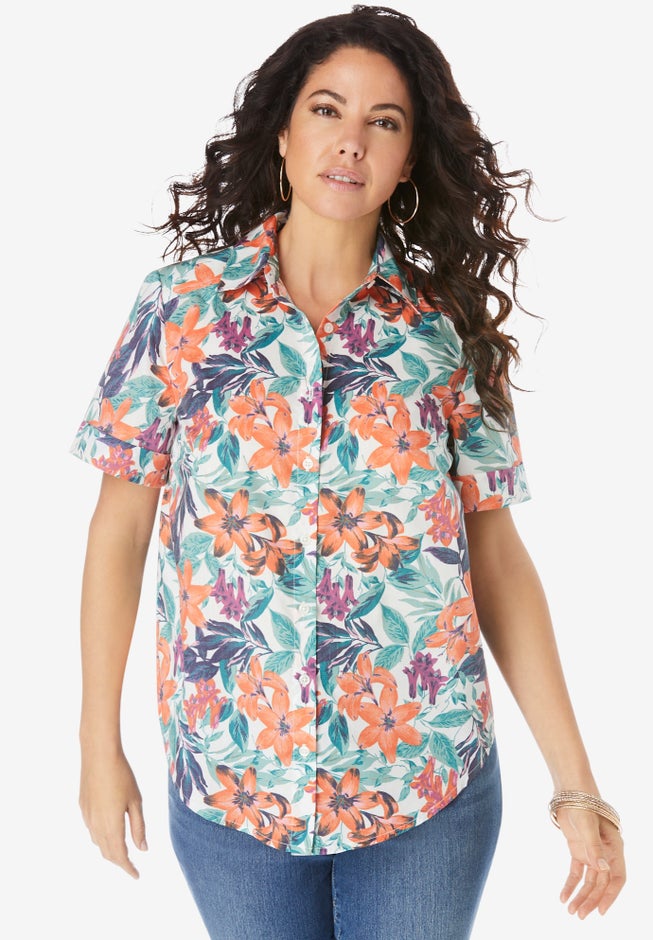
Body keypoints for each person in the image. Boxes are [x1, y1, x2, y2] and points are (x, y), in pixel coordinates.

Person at [71, 5, 626, 939]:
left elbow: (493, 555)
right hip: (232, 778)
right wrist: (98, 745)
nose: (351, 141)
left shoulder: (447, 330)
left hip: (423, 783)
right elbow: (118, 532)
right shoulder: (181, 310)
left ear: (408, 161)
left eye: (384, 121)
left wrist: (575, 783)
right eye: (327, 110)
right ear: (282, 132)